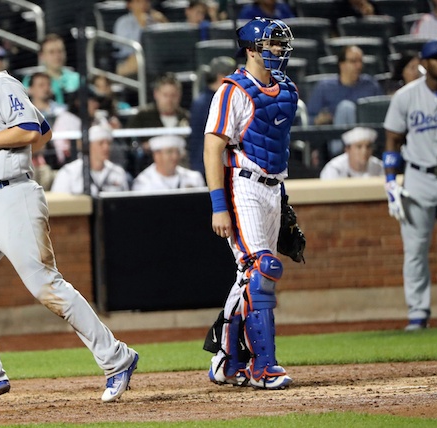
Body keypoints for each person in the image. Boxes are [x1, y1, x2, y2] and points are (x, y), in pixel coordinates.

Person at [0, 25, 138, 406]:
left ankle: (117, 358)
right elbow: (42, 128)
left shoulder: (1, 85)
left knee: (47, 287)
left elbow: (29, 131)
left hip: (13, 196)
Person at [203, 18, 298, 389]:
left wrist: (282, 197)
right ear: (252, 48)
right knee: (262, 270)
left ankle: (227, 361)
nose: (278, 50)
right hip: (242, 185)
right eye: (272, 44)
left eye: (280, 44)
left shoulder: (287, 89)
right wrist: (218, 205)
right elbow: (212, 148)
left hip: (273, 188)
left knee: (250, 276)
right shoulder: (232, 90)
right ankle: (263, 366)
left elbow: (277, 148)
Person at [382, 38, 437, 331]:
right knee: (415, 249)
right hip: (418, 177)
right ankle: (418, 313)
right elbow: (392, 140)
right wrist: (390, 182)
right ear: (424, 63)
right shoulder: (406, 96)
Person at [307, 45, 383, 157]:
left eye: (360, 61)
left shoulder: (371, 85)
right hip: (332, 144)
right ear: (341, 64)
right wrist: (319, 120)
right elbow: (307, 120)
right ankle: (339, 154)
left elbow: (382, 114)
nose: (359, 66)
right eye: (353, 61)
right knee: (345, 107)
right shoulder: (324, 87)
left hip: (367, 141)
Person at [127, 72, 190, 174]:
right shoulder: (142, 117)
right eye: (165, 95)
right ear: (156, 94)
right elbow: (131, 144)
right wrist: (145, 147)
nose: (169, 100)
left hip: (182, 171)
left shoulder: (186, 118)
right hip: (149, 171)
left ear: (180, 95)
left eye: (173, 95)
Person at [188, 56, 236, 176]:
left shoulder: (204, 100)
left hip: (211, 163)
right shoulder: (210, 102)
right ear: (221, 78)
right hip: (209, 166)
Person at [51, 124, 130, 195]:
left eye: (108, 143)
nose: (106, 148)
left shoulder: (118, 172)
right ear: (89, 146)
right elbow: (58, 203)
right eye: (101, 143)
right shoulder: (69, 173)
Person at [22, 33, 80, 106]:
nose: (57, 56)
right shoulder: (31, 80)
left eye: (60, 51)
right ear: (41, 56)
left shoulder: (77, 78)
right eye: (51, 52)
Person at [113, 0, 168, 77]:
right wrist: (142, 27)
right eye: (138, 2)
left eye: (146, 1)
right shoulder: (123, 22)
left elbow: (167, 44)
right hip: (129, 59)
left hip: (156, 57)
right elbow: (125, 48)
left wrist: (164, 23)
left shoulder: (156, 20)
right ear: (129, 5)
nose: (143, 5)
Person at [132, 135, 205, 191]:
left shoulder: (194, 178)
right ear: (157, 155)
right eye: (169, 152)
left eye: (177, 152)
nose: (175, 156)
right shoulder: (143, 181)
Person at [319, 127, 384, 179]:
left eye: (368, 147)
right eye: (359, 147)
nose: (364, 151)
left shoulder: (380, 167)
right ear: (347, 150)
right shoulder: (334, 169)